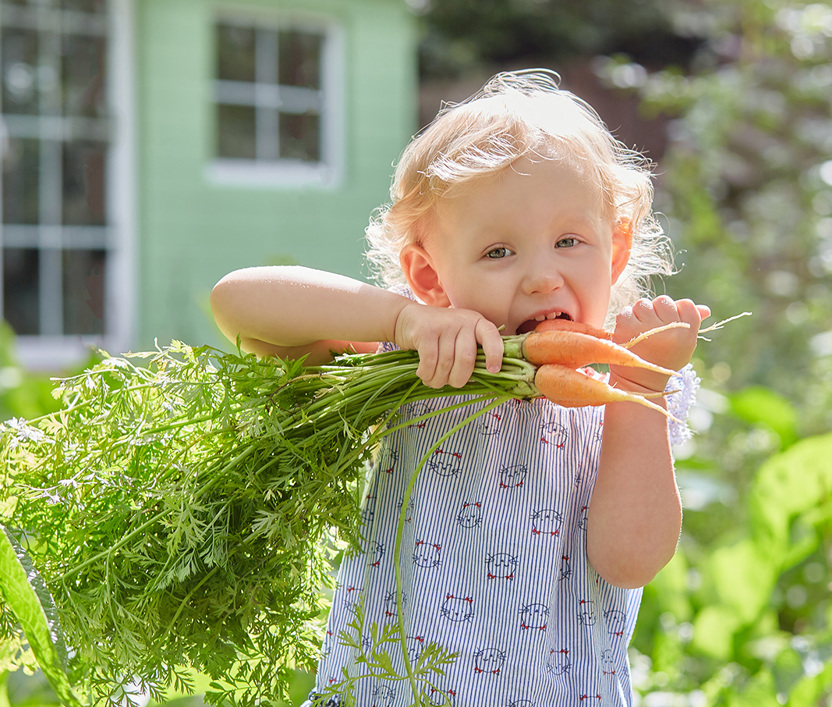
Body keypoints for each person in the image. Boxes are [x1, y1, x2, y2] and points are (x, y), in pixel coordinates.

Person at [210, 70, 710, 707]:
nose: (540, 277)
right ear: (430, 276)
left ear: (613, 254)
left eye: (568, 242)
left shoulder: (625, 390)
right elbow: (238, 302)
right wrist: (399, 319)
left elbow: (630, 560)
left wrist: (643, 382)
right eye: (498, 251)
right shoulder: (411, 366)